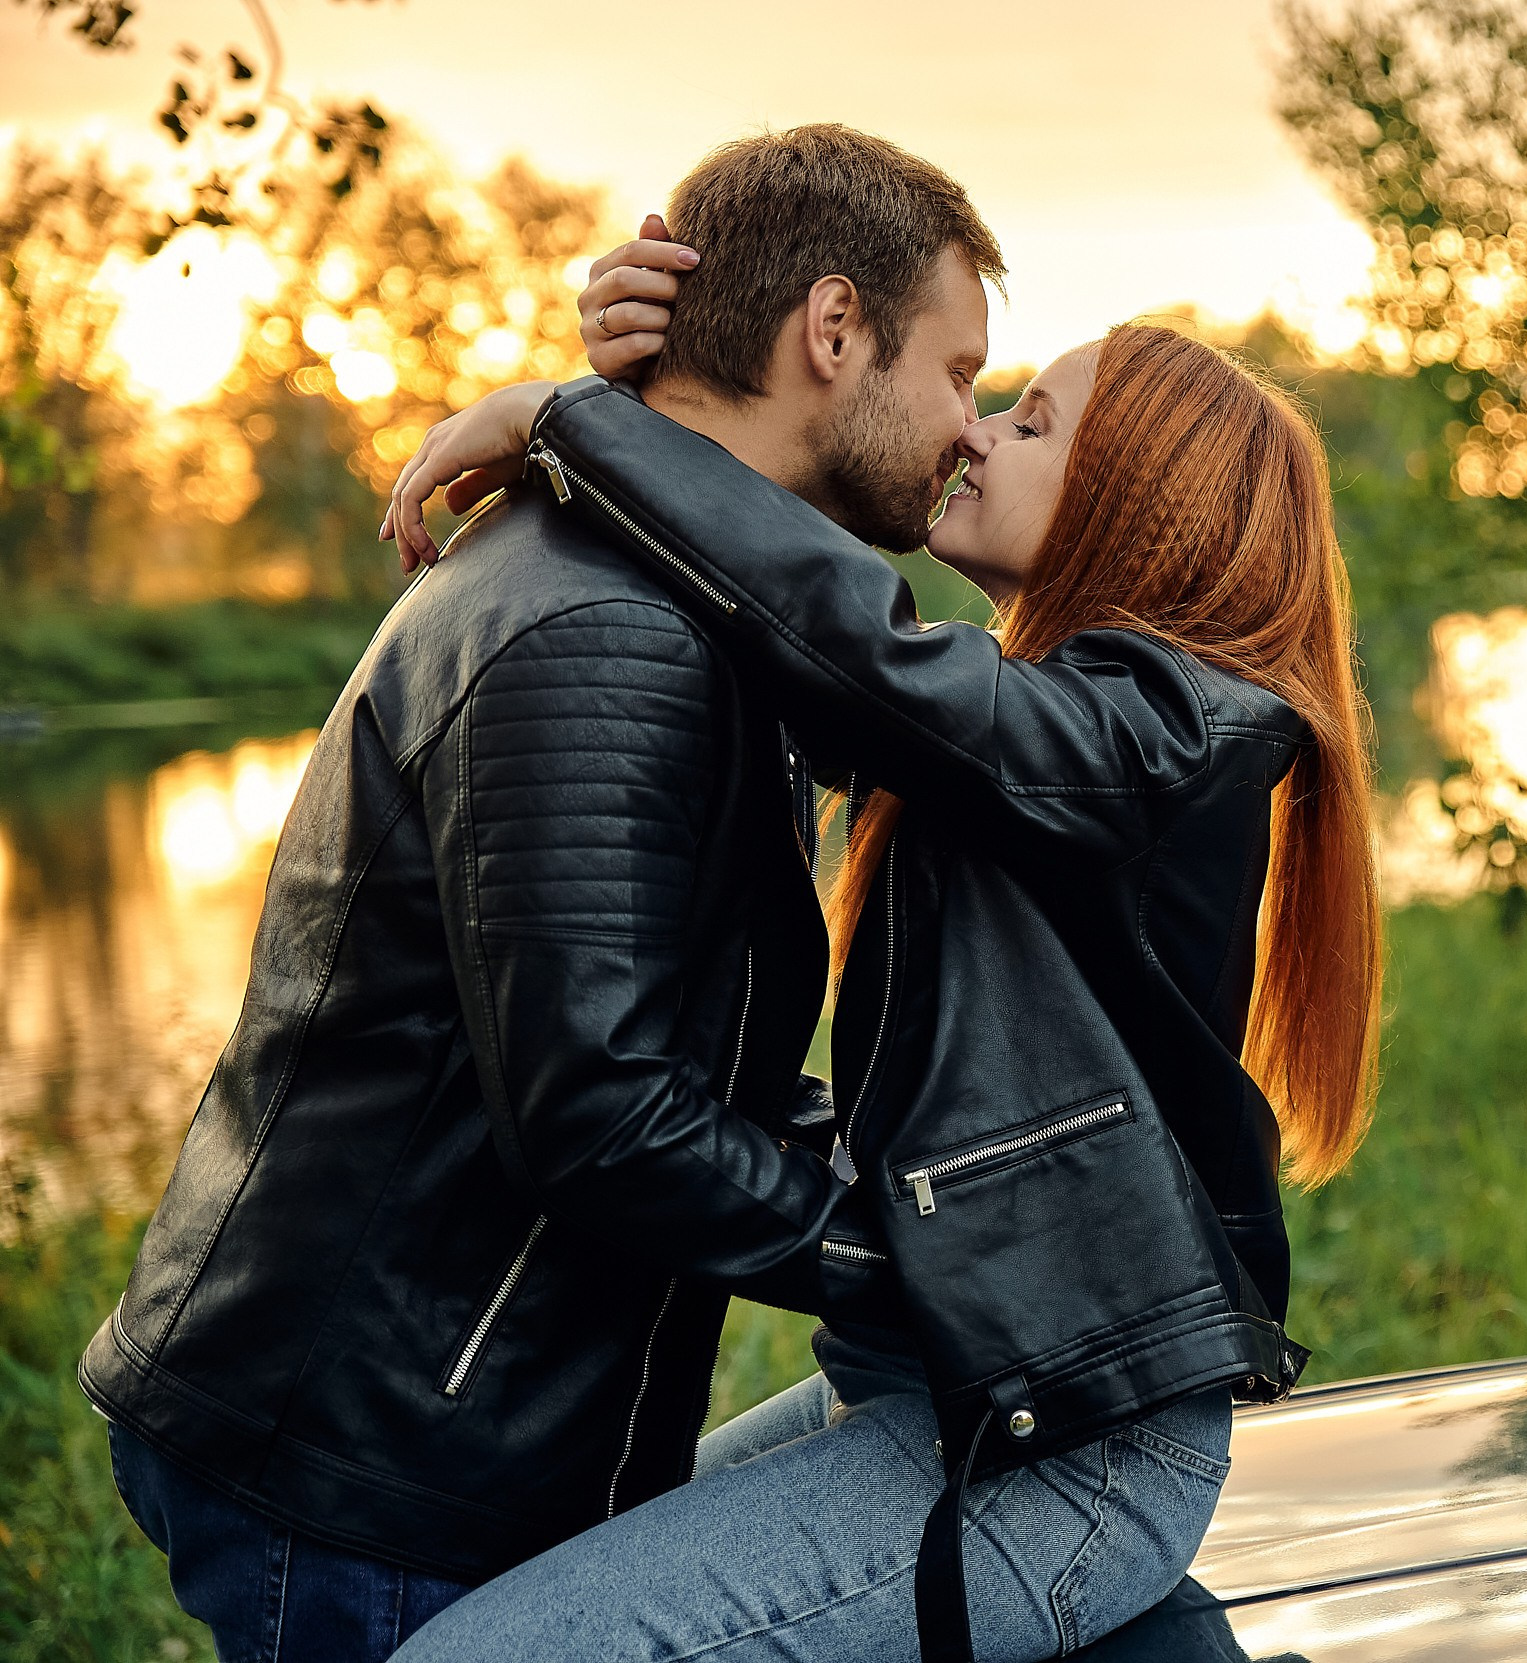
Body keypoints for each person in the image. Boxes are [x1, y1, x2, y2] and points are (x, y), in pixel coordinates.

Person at [374, 227, 1383, 1658]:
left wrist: (568, 420)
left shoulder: (1166, 737)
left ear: (1139, 497)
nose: (972, 434)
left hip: (1065, 1459)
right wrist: (690, 376)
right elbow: (785, 604)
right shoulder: (1065, 734)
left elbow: (850, 646)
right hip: (949, 1395)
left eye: (1029, 420)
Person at [82, 125, 1004, 1663]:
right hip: (379, 1470)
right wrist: (939, 1267)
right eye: (962, 372)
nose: (970, 426)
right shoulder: (605, 633)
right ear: (834, 332)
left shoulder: (675, 598)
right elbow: (603, 1111)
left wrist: (949, 1176)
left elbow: (668, 1055)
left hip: (445, 1427)